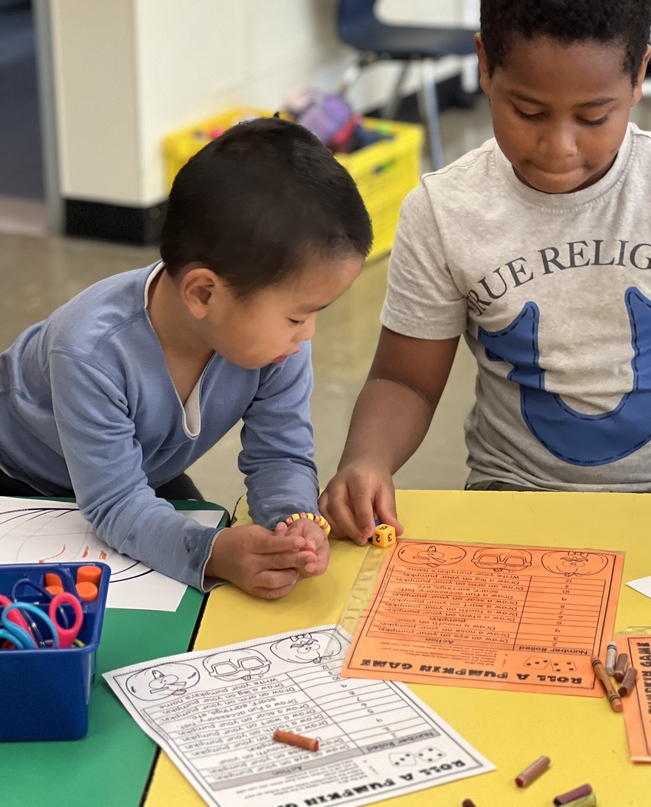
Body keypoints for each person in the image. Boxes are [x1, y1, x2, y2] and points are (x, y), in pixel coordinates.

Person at [320, 0, 651, 545]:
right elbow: (403, 381)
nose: (558, 147)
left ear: (639, 75)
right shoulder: (444, 211)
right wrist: (366, 460)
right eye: (527, 110)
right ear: (484, 65)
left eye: (593, 116)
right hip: (514, 505)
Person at [0, 118, 372, 595]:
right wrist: (212, 552)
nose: (308, 334)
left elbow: (280, 453)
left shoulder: (278, 342)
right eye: (298, 317)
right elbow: (114, 506)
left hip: (133, 477)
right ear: (203, 293)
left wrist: (293, 522)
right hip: (22, 480)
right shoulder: (89, 350)